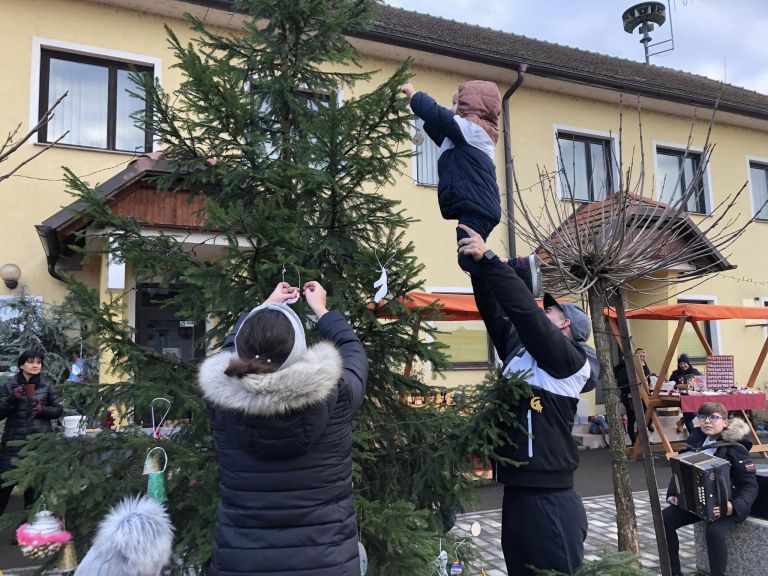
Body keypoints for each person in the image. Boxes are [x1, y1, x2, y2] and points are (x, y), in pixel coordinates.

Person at [198, 281, 368, 576]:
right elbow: (354, 354)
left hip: (242, 565)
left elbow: (229, 350)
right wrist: (321, 310)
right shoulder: (336, 396)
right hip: (327, 565)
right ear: (299, 349)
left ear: (241, 355)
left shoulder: (222, 402)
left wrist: (265, 307)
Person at [457, 224, 597, 575]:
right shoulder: (521, 352)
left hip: (551, 501)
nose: (543, 310)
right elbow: (494, 312)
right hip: (515, 493)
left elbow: (524, 312)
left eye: (550, 311)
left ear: (564, 325)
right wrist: (477, 271)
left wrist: (491, 261)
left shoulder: (568, 362)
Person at [400, 81, 540, 293]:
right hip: (477, 205)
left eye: (456, 105)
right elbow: (439, 127)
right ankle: (511, 275)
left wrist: (414, 95)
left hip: (478, 206)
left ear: (471, 109)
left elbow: (440, 117)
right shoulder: (463, 135)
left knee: (468, 258)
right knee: (473, 258)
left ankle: (518, 270)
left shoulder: (473, 131)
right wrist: (421, 112)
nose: (451, 110)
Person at [663, 402, 758, 576]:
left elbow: (750, 485)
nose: (707, 421)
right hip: (697, 502)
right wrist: (673, 494)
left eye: (714, 417)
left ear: (725, 423)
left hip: (726, 505)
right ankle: (672, 571)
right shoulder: (695, 441)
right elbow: (680, 470)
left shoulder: (736, 448)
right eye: (703, 417)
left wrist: (733, 507)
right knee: (665, 518)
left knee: (714, 531)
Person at [0, 350, 63, 521]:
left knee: (33, 490)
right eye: (31, 362)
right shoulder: (8, 386)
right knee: (4, 485)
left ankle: (24, 529)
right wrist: (12, 398)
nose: (35, 365)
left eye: (38, 362)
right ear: (21, 365)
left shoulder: (47, 384)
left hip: (39, 443)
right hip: (13, 442)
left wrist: (43, 410)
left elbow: (58, 410)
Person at [614, 348, 652, 445]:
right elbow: (622, 385)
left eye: (644, 357)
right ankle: (634, 441)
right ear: (634, 357)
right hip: (629, 396)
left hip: (642, 396)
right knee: (633, 419)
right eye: (640, 356)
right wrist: (636, 384)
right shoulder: (625, 368)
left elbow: (647, 380)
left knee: (645, 418)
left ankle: (641, 440)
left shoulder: (644, 367)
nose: (642, 358)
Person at [669, 353, 702, 433]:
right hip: (682, 397)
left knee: (694, 412)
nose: (682, 365)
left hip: (695, 397)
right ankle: (692, 435)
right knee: (688, 412)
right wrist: (678, 386)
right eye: (680, 364)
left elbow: (701, 383)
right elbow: (671, 384)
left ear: (688, 363)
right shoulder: (675, 373)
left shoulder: (695, 371)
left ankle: (681, 421)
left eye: (684, 363)